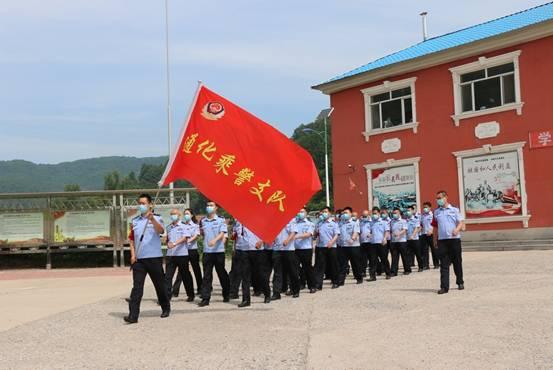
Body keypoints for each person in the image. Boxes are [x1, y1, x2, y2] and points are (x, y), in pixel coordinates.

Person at [125, 193, 170, 324]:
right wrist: (133, 255)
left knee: (160, 285)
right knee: (137, 287)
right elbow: (132, 240)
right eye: (140, 203)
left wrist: (152, 220)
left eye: (144, 203)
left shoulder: (157, 218)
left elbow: (161, 231)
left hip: (154, 258)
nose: (141, 206)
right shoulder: (135, 221)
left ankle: (165, 307)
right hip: (140, 260)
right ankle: (133, 315)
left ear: (150, 204)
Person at [198, 201, 230, 307]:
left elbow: (222, 233)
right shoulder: (203, 221)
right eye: (207, 205)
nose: (209, 207)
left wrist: (215, 240)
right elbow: (203, 233)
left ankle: (226, 293)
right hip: (207, 252)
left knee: (221, 273)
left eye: (211, 206)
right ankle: (205, 298)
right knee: (207, 275)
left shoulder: (221, 220)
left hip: (218, 251)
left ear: (216, 208)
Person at [433, 190, 465, 295]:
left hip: (454, 240)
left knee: (457, 262)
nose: (438, 200)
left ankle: (460, 281)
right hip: (442, 241)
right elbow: (435, 227)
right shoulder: (436, 212)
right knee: (444, 264)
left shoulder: (454, 210)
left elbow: (461, 222)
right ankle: (444, 287)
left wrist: (457, 229)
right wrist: (435, 240)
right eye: (437, 198)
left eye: (440, 198)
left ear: (446, 197)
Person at [233, 220, 271, 307]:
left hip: (256, 249)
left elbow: (267, 231)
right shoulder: (237, 221)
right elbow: (236, 236)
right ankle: (246, 300)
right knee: (245, 276)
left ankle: (267, 294)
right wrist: (235, 248)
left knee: (261, 274)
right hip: (243, 250)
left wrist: (261, 241)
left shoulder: (256, 218)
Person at [164, 209, 195, 302]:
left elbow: (185, 237)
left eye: (175, 214)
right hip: (170, 255)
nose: (173, 215)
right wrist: (168, 243)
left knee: (185, 275)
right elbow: (167, 239)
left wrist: (174, 243)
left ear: (179, 215)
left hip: (182, 254)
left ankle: (190, 294)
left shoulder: (184, 226)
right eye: (171, 214)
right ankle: (166, 296)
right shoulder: (169, 227)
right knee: (168, 277)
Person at [172, 209, 202, 297]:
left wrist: (187, 240)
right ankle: (175, 290)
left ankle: (200, 288)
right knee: (181, 271)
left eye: (187, 214)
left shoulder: (195, 226)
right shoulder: (182, 225)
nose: (186, 215)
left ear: (192, 215)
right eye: (185, 214)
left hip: (192, 250)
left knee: (196, 270)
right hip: (184, 251)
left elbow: (196, 236)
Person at [271, 219, 300, 300]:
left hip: (288, 249)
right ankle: (276, 293)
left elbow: (294, 232)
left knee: (292, 271)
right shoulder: (274, 220)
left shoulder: (291, 219)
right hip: (277, 249)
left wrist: (287, 240)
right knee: (277, 272)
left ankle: (295, 290)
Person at [314, 207, 340, 289]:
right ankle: (318, 284)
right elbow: (315, 234)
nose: (324, 213)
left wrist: (332, 242)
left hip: (331, 247)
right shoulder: (319, 223)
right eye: (323, 212)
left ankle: (335, 281)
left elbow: (337, 234)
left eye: (325, 212)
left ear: (329, 213)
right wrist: (315, 233)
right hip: (320, 247)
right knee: (320, 266)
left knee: (333, 265)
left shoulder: (333, 223)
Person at [337, 207, 363, 285]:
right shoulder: (340, 223)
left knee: (355, 263)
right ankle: (341, 280)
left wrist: (352, 239)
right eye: (343, 213)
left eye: (346, 213)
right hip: (343, 246)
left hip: (353, 246)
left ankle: (359, 278)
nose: (344, 214)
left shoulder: (354, 223)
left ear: (351, 214)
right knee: (343, 264)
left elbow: (356, 232)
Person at [294, 208, 317, 293]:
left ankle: (312, 286)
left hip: (306, 249)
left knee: (307, 268)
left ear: (306, 213)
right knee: (295, 268)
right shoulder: (294, 223)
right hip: (295, 249)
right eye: (299, 211)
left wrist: (296, 236)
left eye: (302, 212)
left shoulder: (310, 224)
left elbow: (308, 234)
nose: (300, 213)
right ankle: (301, 284)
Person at [368, 207, 391, 281]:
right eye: (373, 213)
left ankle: (388, 273)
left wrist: (385, 238)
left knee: (384, 259)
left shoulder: (384, 222)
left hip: (381, 243)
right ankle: (372, 276)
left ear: (379, 213)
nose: (374, 215)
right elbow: (371, 231)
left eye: (375, 213)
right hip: (373, 243)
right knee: (372, 260)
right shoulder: (371, 223)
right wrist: (369, 234)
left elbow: (387, 231)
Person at [389, 208, 410, 276]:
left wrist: (399, 233)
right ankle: (394, 271)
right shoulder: (392, 221)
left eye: (396, 213)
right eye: (393, 213)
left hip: (402, 241)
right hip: (394, 241)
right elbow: (390, 230)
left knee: (404, 256)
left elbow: (405, 230)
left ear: (399, 213)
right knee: (394, 257)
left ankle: (407, 269)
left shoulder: (403, 221)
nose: (394, 214)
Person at [420, 202, 439, 269]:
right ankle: (426, 265)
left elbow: (435, 224)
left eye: (426, 207)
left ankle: (436, 264)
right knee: (425, 250)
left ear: (430, 207)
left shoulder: (433, 215)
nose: (425, 208)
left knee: (434, 250)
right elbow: (421, 224)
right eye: (424, 207)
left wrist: (431, 230)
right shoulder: (422, 215)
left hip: (432, 234)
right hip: (424, 234)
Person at [406, 205, 424, 272]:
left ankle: (421, 267)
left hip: (415, 239)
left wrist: (413, 236)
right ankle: (408, 269)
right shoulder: (405, 220)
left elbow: (417, 228)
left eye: (409, 211)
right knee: (407, 255)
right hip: (407, 240)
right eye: (407, 211)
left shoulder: (416, 219)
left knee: (418, 254)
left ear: (413, 211)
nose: (408, 212)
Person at [359, 210, 372, 277]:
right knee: (363, 258)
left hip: (370, 242)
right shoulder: (360, 222)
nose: (364, 217)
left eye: (365, 216)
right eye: (363, 216)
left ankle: (375, 271)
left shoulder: (372, 222)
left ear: (368, 215)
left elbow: (374, 230)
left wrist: (371, 234)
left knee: (372, 258)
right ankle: (363, 272)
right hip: (363, 242)